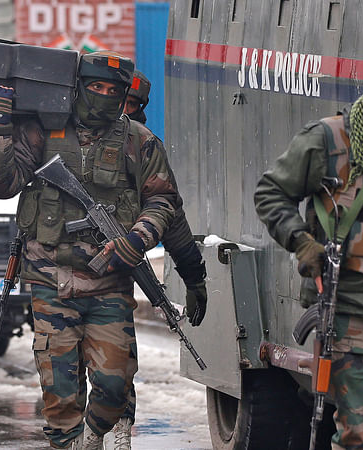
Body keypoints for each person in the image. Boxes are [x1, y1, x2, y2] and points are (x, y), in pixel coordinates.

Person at [0, 50, 203, 449]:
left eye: (113, 90)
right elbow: (3, 184)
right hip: (51, 281)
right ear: (79, 88)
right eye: (96, 87)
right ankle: (72, 442)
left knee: (115, 386)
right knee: (60, 396)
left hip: (110, 284)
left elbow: (164, 202)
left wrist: (138, 239)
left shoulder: (139, 140)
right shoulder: (44, 129)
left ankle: (94, 434)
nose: (103, 95)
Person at [96, 69, 207, 450]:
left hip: (114, 276)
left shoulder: (141, 147)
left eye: (129, 104)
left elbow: (171, 218)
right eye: (117, 100)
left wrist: (194, 279)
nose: (120, 110)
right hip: (61, 272)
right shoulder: (74, 137)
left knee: (118, 365)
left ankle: (121, 428)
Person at [255, 94, 363, 448]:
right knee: (358, 431)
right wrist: (302, 242)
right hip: (348, 309)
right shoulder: (328, 141)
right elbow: (271, 192)